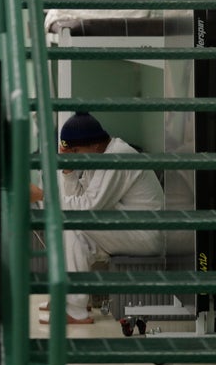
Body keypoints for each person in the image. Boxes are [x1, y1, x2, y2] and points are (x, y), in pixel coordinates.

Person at [32, 112, 164, 324]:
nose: (73, 155)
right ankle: (73, 302)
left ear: (94, 145)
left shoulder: (117, 156)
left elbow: (87, 208)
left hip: (145, 234)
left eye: (75, 150)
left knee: (73, 223)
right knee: (76, 235)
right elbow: (75, 199)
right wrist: (68, 171)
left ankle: (75, 308)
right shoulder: (98, 156)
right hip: (127, 227)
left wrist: (42, 195)